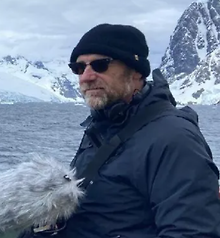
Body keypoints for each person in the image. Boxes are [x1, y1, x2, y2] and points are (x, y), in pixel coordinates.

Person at [24, 23, 220, 237]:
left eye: (100, 65)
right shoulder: (103, 126)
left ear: (136, 73)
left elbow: (191, 232)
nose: (86, 77)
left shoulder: (173, 138)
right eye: (79, 68)